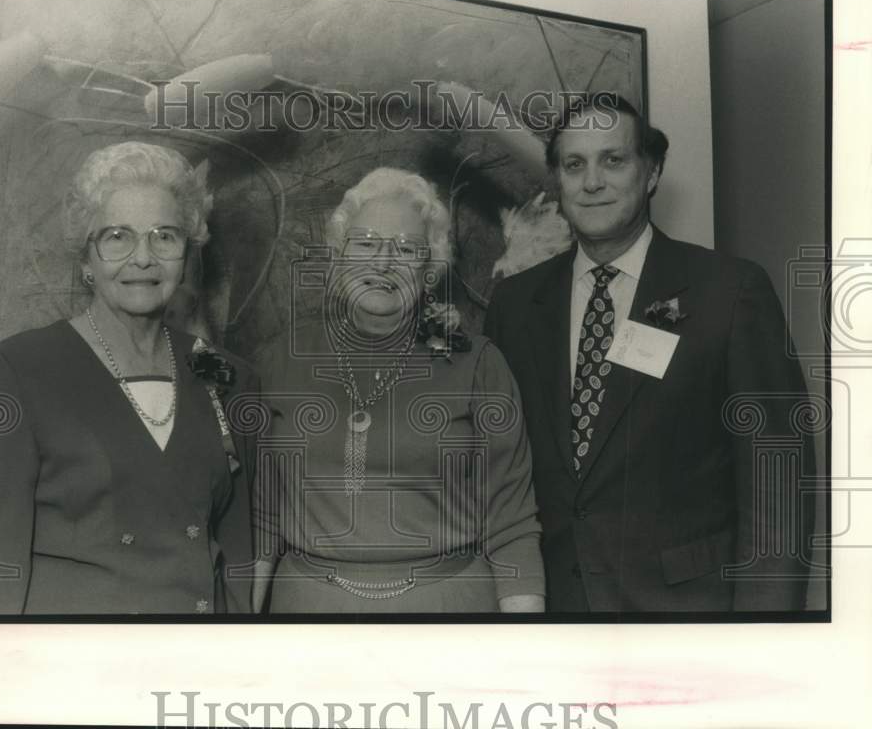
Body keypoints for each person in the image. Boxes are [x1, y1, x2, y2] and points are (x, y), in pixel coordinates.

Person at [485, 94, 815, 612]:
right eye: (575, 164)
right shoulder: (515, 305)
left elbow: (777, 483)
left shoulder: (730, 293)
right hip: (555, 617)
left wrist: (765, 638)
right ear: (558, 180)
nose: (593, 181)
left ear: (653, 171)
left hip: (688, 616)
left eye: (613, 160)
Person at [0, 141, 257, 614]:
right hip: (73, 673)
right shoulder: (3, 378)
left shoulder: (223, 374)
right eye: (117, 236)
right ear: (85, 258)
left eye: (165, 236)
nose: (143, 258)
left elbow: (236, 556)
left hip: (194, 667)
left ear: (188, 251)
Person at [251, 167, 545, 614]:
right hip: (307, 620)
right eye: (366, 243)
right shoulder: (281, 361)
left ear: (430, 268)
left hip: (449, 617)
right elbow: (262, 522)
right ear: (338, 254)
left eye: (407, 249)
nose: (383, 262)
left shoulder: (478, 365)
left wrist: (525, 657)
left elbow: (513, 524)